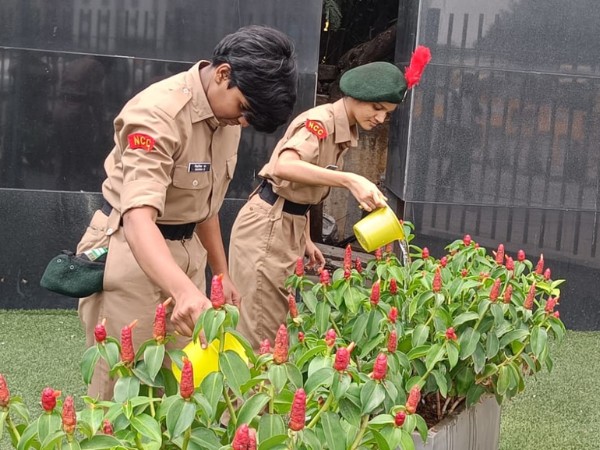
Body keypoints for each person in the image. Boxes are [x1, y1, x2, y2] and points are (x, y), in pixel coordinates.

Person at [76, 25, 297, 399]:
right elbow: (137, 218)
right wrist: (184, 292)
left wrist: (220, 272)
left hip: (187, 252)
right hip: (132, 252)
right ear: (223, 74)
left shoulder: (227, 114)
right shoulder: (158, 115)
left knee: (182, 386)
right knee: (123, 387)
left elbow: (204, 205)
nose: (243, 122)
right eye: (244, 110)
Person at [228, 49, 431, 350]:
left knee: (275, 327)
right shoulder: (319, 123)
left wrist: (306, 239)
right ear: (355, 95)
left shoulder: (345, 128)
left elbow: (300, 187)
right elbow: (283, 166)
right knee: (260, 335)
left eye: (387, 112)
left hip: (287, 221)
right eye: (376, 107)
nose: (380, 118)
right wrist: (350, 180)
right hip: (267, 226)